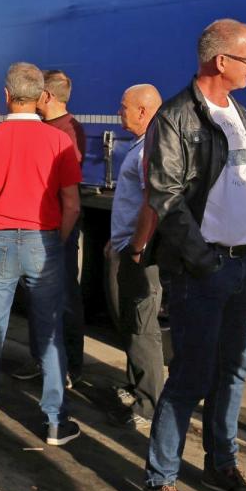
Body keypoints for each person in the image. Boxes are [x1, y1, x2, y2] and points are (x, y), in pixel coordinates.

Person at [141, 19, 246, 491]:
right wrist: (206, 263)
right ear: (222, 61)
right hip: (204, 271)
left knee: (234, 370)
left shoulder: (239, 112)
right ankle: (161, 480)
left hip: (243, 267)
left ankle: (221, 465)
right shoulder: (176, 117)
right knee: (191, 377)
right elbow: (166, 198)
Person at [0, 63, 82, 446]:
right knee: (49, 331)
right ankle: (55, 423)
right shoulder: (59, 141)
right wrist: (56, 240)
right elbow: (72, 205)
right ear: (42, 96)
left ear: (6, 95)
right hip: (43, 240)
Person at [13, 70, 86, 385]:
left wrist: (61, 235)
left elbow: (63, 185)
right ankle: (39, 358)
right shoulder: (43, 127)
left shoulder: (68, 131)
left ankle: (70, 365)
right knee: (35, 295)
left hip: (57, 227)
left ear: (47, 96)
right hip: (36, 225)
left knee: (65, 297)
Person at [107, 84, 164, 430]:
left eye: (123, 106)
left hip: (138, 254)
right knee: (130, 321)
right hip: (126, 247)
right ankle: (135, 388)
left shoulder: (151, 148)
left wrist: (138, 247)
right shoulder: (141, 144)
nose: (119, 112)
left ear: (142, 111)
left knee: (143, 328)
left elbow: (151, 203)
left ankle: (149, 405)